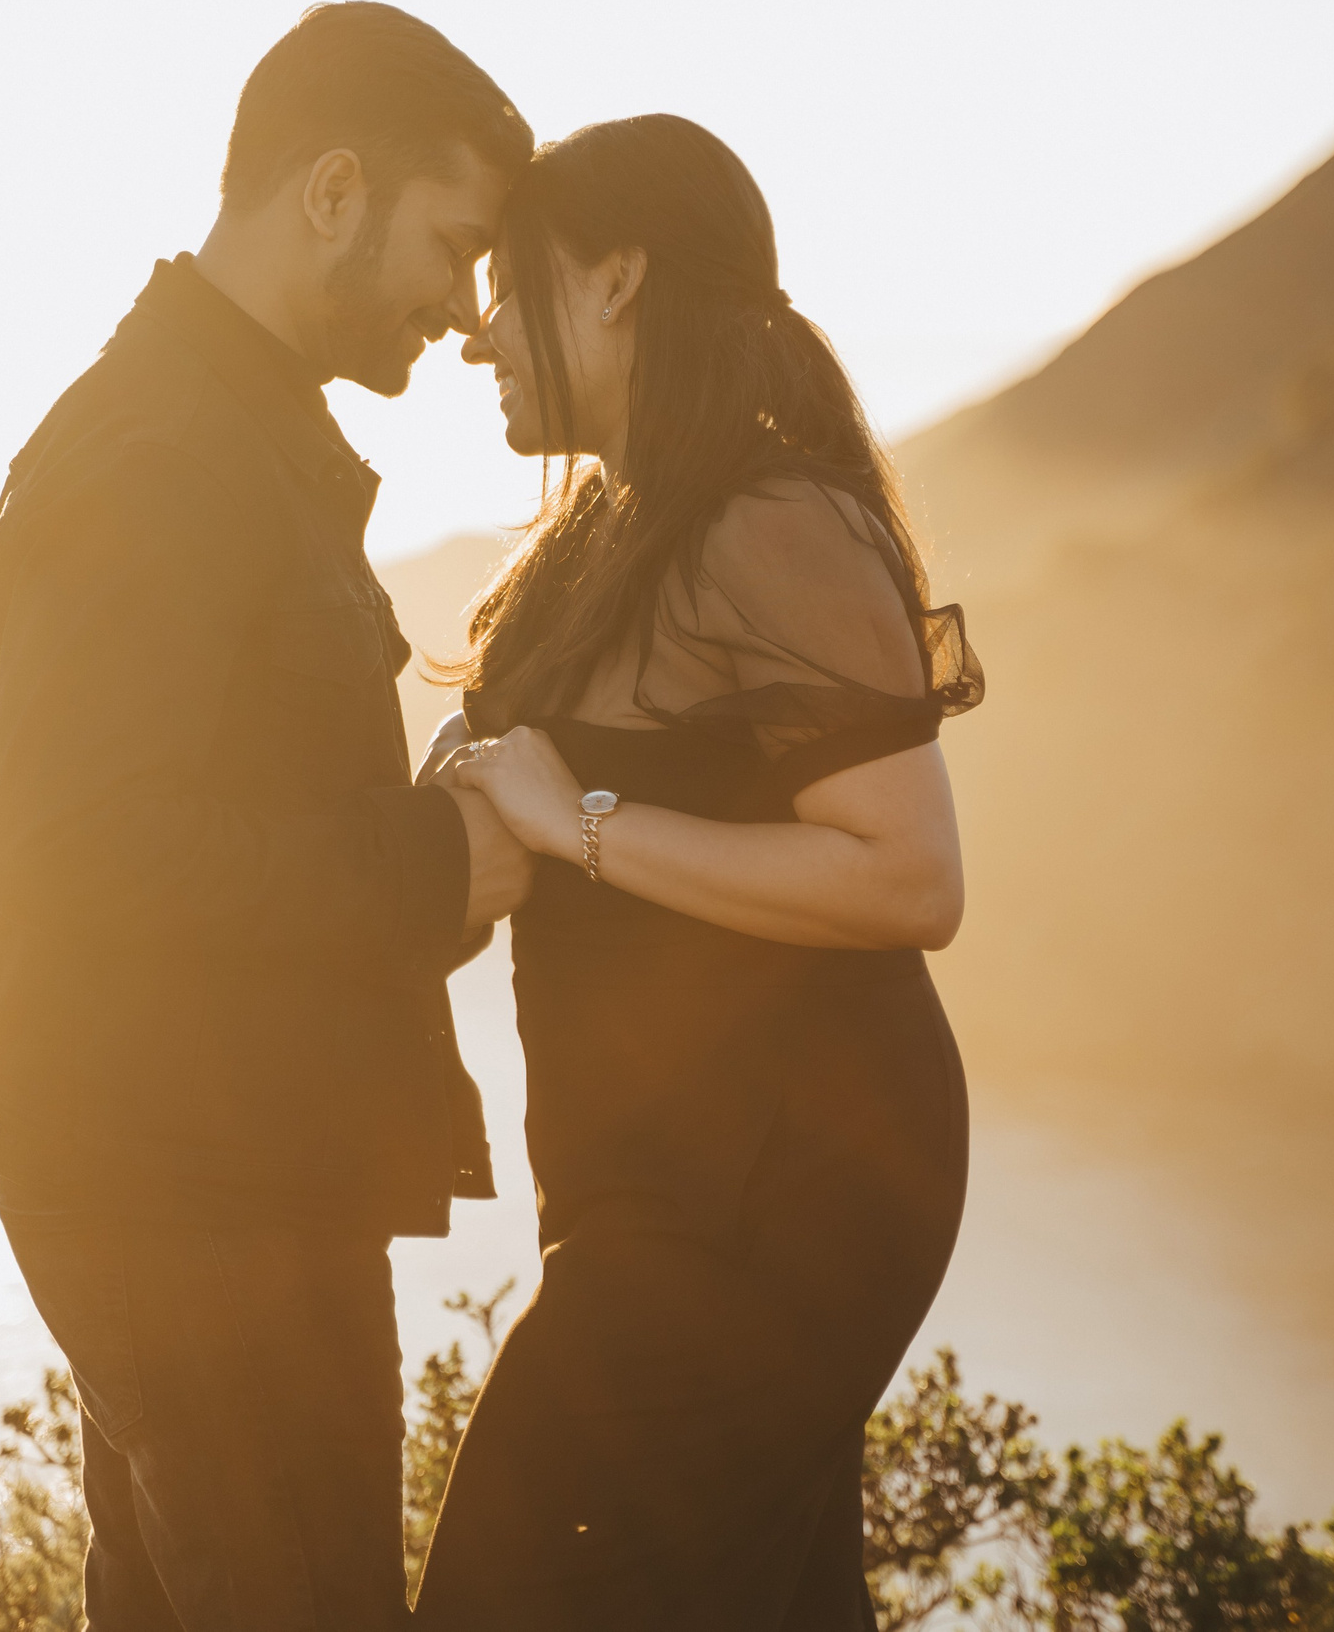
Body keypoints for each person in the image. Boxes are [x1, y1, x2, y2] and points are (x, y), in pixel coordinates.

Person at [0, 3, 535, 1632]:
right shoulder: (152, 453)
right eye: (455, 243)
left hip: (212, 1166)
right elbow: (83, 852)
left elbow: (196, 806)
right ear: (332, 192)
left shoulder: (232, 434)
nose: (467, 310)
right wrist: (437, 865)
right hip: (180, 1187)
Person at [411, 114, 984, 1631]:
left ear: (614, 281)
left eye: (508, 287)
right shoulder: (598, 539)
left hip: (785, 1182)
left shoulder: (774, 517)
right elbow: (475, 823)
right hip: (642, 1180)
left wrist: (579, 820)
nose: (477, 341)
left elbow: (910, 879)